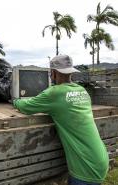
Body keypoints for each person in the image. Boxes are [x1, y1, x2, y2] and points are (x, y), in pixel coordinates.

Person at [13, 55, 109, 185]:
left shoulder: (54, 93)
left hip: (85, 168)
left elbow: (25, 107)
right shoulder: (82, 90)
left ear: (53, 73)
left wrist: (15, 101)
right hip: (100, 158)